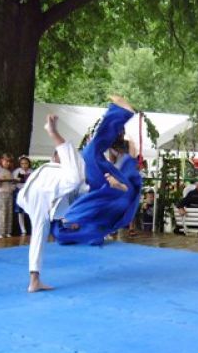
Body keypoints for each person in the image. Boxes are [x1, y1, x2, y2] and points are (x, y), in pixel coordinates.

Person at [52, 97, 142, 246]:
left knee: (90, 154)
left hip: (112, 188)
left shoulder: (121, 149)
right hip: (113, 192)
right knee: (90, 154)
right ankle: (121, 113)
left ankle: (121, 113)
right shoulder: (86, 220)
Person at [16, 116, 87, 292]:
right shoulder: (55, 168)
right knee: (75, 177)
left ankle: (34, 279)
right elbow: (76, 180)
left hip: (34, 198)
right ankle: (52, 131)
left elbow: (80, 194)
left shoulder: (60, 174)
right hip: (38, 194)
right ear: (56, 157)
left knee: (39, 233)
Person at [13, 156, 33, 235]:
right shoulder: (17, 171)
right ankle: (23, 230)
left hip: (29, 192)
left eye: (26, 163)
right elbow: (14, 182)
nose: (24, 165)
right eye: (22, 163)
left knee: (30, 210)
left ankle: (32, 227)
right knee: (20, 211)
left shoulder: (32, 172)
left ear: (29, 163)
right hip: (19, 192)